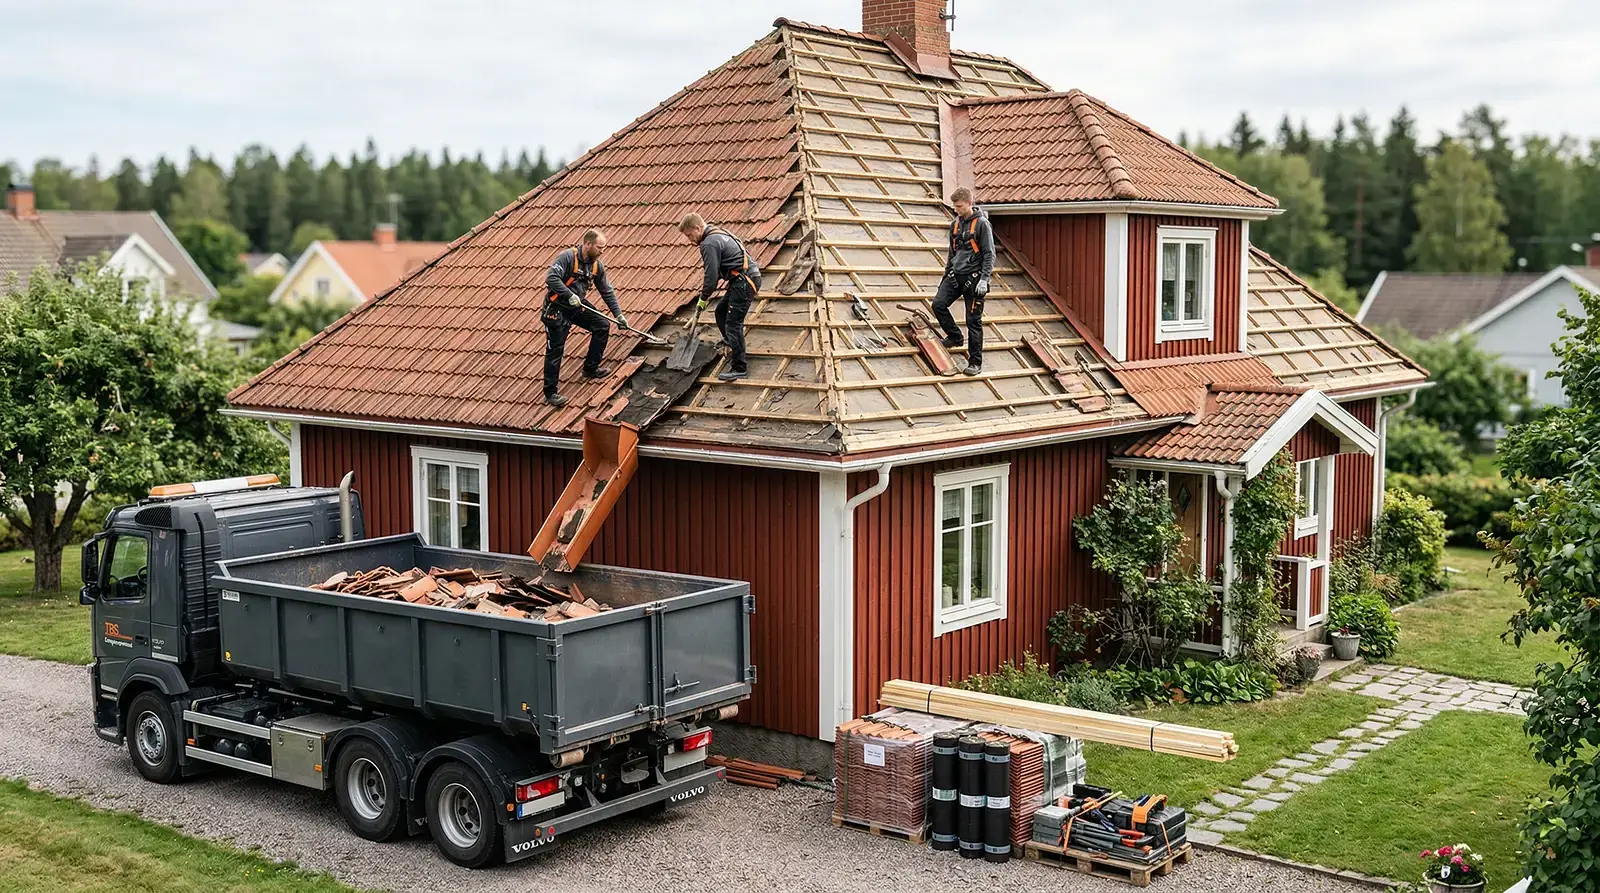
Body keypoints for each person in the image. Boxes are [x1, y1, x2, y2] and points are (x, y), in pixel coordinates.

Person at [542, 228, 628, 406]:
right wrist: (568, 295)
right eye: (599, 247)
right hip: (557, 308)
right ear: (587, 244)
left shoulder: (597, 265)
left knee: (602, 325)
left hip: (577, 306)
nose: (602, 251)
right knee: (556, 349)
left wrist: (618, 314)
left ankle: (591, 368)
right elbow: (551, 277)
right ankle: (551, 393)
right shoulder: (567, 257)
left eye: (604, 248)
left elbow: (606, 291)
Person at [679, 213, 761, 381]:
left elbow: (711, 276)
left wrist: (703, 298)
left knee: (733, 324)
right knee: (721, 312)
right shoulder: (719, 232)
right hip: (744, 278)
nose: (689, 239)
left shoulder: (709, 243)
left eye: (689, 235)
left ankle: (739, 367)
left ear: (697, 228)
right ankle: (732, 344)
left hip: (744, 281)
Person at [931, 187, 994, 375]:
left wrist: (984, 279)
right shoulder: (955, 224)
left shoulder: (982, 224)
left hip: (975, 280)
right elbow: (953, 252)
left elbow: (989, 254)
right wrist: (946, 275)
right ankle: (955, 337)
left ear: (969, 203)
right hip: (956, 275)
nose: (956, 210)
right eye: (954, 207)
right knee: (938, 304)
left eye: (959, 206)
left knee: (973, 321)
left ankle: (975, 362)